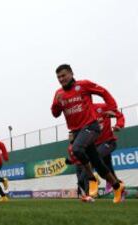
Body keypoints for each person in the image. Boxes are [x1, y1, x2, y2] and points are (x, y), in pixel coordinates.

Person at [51, 64, 124, 203]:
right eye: (59, 77)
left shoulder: (83, 85)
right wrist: (56, 104)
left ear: (71, 74)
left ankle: (92, 178)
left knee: (76, 149)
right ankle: (117, 186)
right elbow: (55, 113)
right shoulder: (58, 93)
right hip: (77, 131)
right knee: (97, 163)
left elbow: (103, 92)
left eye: (64, 75)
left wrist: (112, 108)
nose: (61, 79)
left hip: (91, 126)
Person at [94, 103, 125, 193]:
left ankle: (108, 181)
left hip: (109, 141)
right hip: (96, 145)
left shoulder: (102, 107)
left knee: (97, 157)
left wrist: (119, 125)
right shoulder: (82, 114)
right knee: (109, 168)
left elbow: (119, 115)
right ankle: (120, 188)